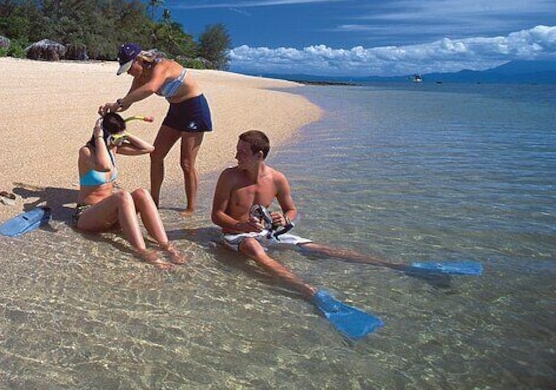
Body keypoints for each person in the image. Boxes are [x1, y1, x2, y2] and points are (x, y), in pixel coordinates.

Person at [212, 130, 482, 299]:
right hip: (239, 234)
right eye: (237, 152)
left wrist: (288, 220)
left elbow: (291, 209)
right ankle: (310, 292)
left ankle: (403, 268)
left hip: (267, 230)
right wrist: (241, 224)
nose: (236, 156)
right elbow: (216, 217)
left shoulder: (277, 178)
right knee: (253, 246)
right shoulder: (230, 176)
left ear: (259, 155)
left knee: (318, 248)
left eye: (242, 153)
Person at [100, 43, 212, 216]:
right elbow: (127, 103)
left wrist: (120, 102)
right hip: (175, 111)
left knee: (186, 163)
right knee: (156, 154)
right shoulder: (139, 76)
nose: (129, 73)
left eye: (129, 68)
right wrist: (112, 107)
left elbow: (151, 88)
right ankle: (154, 201)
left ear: (139, 59)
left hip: (194, 109)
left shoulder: (162, 66)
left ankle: (190, 207)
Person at [75, 112, 185, 268]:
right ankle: (143, 251)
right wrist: (99, 136)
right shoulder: (86, 152)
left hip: (112, 217)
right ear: (105, 135)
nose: (117, 141)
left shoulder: (113, 149)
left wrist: (126, 135)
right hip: (87, 216)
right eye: (115, 136)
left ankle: (166, 245)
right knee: (122, 196)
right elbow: (104, 166)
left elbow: (149, 148)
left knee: (142, 193)